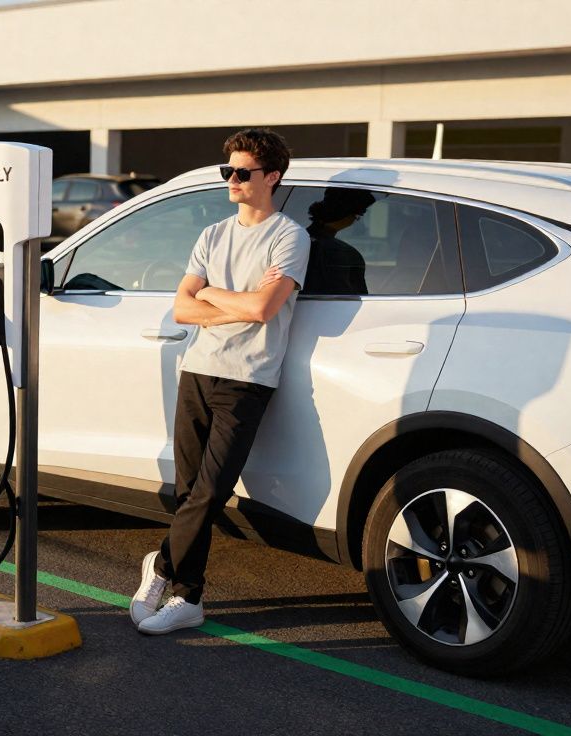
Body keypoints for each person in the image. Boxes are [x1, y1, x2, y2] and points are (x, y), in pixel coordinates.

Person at [129, 128, 310, 634]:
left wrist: (212, 293)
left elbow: (263, 308)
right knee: (188, 490)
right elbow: (182, 309)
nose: (231, 179)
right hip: (196, 372)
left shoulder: (289, 236)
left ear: (272, 177)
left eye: (242, 172)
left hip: (248, 379)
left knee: (211, 492)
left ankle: (161, 565)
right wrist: (225, 303)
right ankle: (189, 597)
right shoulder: (212, 234)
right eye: (227, 170)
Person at [303, 187, 375, 295]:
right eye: (358, 216)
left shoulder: (291, 241)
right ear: (347, 214)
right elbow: (350, 299)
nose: (357, 221)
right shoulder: (341, 253)